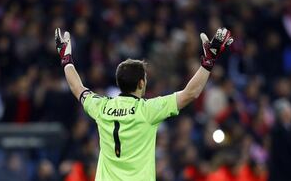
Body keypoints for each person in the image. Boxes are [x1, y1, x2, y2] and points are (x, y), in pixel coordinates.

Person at [54, 27, 234, 181]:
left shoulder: (101, 107)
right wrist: (208, 61)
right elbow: (191, 93)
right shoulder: (147, 110)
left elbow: (77, 88)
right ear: (141, 83)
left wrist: (66, 58)